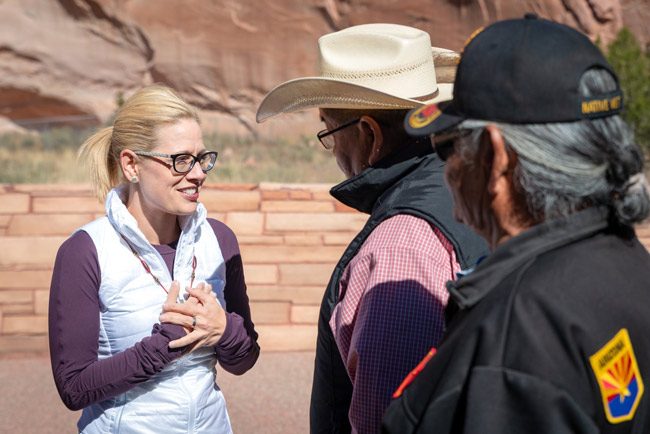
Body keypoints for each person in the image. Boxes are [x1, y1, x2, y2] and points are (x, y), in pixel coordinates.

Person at [382, 15, 650, 434]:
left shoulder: (514, 338)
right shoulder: (628, 260)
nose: (447, 170)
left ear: (495, 158)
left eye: (448, 148)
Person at [256, 23, 487, 433]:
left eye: (328, 131)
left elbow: (388, 419)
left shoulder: (402, 244)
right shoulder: (469, 192)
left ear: (369, 134)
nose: (332, 150)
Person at [48, 84, 260, 433]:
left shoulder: (220, 240)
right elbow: (74, 387)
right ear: (132, 165)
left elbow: (245, 359)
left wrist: (224, 331)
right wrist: (164, 345)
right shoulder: (85, 251)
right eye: (180, 160)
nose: (198, 173)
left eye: (202, 158)